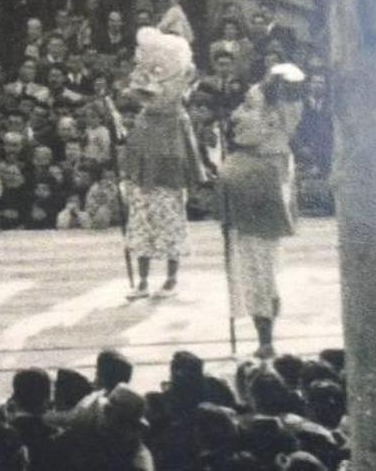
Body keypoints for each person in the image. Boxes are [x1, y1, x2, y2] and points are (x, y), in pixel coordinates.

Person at [223, 64, 306, 359]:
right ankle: (265, 333)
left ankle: (266, 336)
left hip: (262, 198)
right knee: (261, 271)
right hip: (256, 193)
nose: (237, 116)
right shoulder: (261, 116)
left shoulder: (280, 123)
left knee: (261, 271)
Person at [118, 28, 206, 300]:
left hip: (170, 172)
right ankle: (143, 281)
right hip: (144, 172)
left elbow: (188, 147)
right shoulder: (145, 108)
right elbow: (137, 96)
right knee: (141, 224)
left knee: (171, 225)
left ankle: (171, 279)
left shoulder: (179, 100)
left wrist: (195, 179)